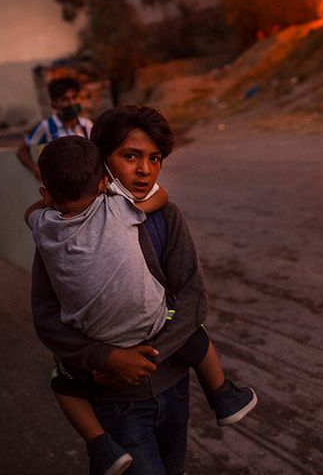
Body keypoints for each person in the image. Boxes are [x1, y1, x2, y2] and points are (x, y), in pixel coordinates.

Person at [26, 136, 257, 475]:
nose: (145, 171)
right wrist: (110, 359)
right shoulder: (121, 209)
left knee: (63, 382)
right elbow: (45, 318)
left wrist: (128, 358)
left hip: (168, 384)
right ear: (105, 174)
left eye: (156, 158)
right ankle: (223, 394)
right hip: (124, 386)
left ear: (47, 193)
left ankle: (100, 445)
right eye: (131, 156)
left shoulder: (47, 230)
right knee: (195, 335)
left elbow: (194, 296)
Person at [16, 76, 94, 181]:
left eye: (74, 97)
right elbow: (22, 151)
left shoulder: (87, 125)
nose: (71, 103)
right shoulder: (47, 126)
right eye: (64, 99)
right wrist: (35, 169)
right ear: (54, 104)